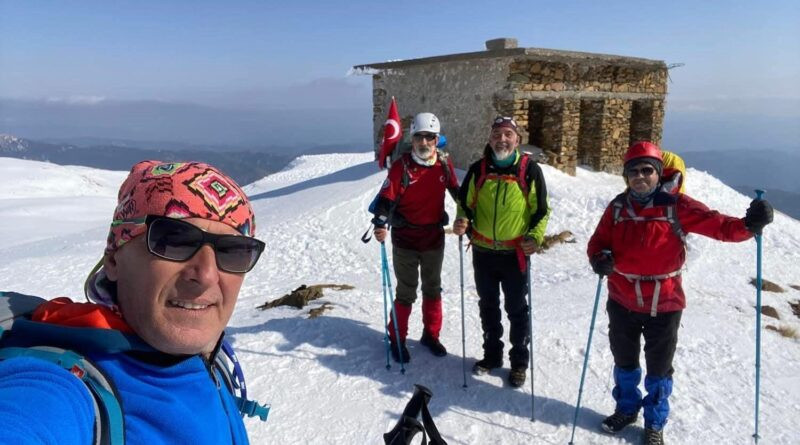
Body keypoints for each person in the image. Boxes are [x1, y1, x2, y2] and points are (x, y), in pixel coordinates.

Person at [0, 161, 266, 444]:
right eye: (174, 240)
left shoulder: (212, 359)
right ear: (114, 260)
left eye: (233, 251)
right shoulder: (60, 387)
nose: (207, 275)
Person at [586, 141, 774, 445]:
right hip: (622, 298)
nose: (640, 176)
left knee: (659, 368)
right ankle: (626, 409)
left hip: (666, 302)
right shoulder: (618, 207)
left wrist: (750, 224)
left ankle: (654, 423)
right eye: (633, 171)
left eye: (647, 170)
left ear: (659, 173)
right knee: (625, 361)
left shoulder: (678, 205)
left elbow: (721, 227)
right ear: (626, 175)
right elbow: (597, 242)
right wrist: (599, 259)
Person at [452, 116, 550, 388]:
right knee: (488, 306)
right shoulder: (478, 169)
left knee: (517, 309)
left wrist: (535, 237)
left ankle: (519, 362)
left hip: (514, 253)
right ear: (490, 138)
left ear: (517, 139)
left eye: (508, 134)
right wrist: (462, 221)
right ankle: (492, 356)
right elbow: (465, 204)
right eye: (497, 134)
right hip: (483, 252)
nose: (502, 139)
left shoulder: (529, 170)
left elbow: (541, 211)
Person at [372, 112, 460, 363]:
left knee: (433, 289)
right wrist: (380, 222)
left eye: (430, 138)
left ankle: (431, 335)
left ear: (437, 140)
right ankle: (397, 338)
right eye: (419, 137)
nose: (424, 143)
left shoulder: (444, 164)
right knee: (406, 292)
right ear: (412, 139)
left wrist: (468, 216)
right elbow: (386, 200)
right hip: (406, 239)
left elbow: (458, 193)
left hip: (433, 238)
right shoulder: (401, 166)